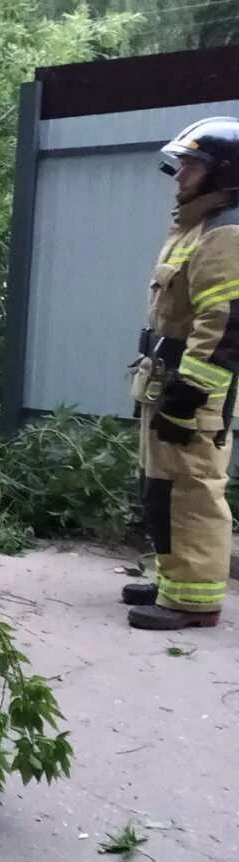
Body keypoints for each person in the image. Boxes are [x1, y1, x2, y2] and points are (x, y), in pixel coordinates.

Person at [122, 117, 239, 631]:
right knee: (162, 486)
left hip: (193, 387)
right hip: (166, 377)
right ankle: (175, 579)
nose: (178, 173)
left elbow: (228, 323)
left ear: (222, 171)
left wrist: (191, 392)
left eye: (191, 164)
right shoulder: (195, 226)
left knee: (192, 488)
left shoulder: (227, 231)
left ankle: (194, 601)